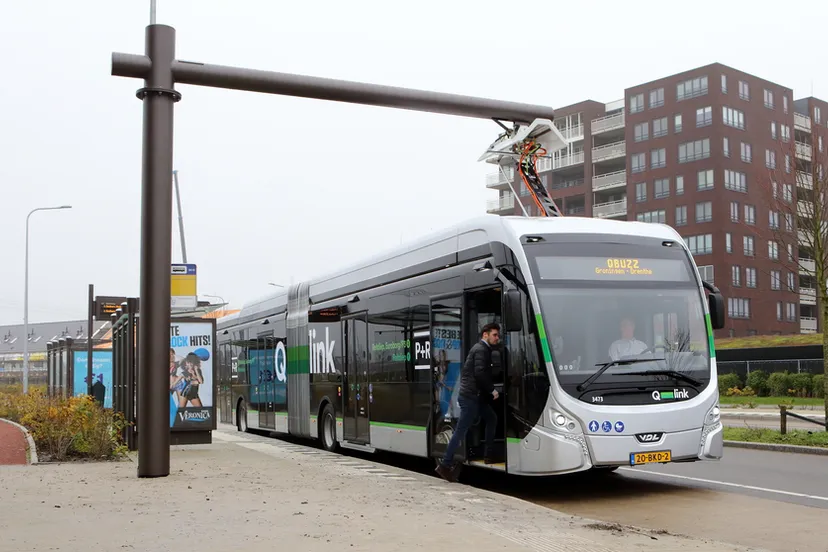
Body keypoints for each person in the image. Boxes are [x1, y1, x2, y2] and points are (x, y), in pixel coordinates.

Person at [435, 323, 500, 482]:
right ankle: (445, 464)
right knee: (460, 431)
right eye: (494, 335)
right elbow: (479, 373)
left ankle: (488, 455)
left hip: (476, 397)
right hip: (470, 397)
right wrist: (492, 390)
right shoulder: (480, 349)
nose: (497, 338)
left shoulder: (483, 349)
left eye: (498, 335)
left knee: (491, 418)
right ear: (485, 335)